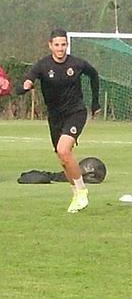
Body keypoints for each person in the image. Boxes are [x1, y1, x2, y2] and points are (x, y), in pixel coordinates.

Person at [16, 28, 100, 213]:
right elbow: (28, 80)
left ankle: (82, 191)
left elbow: (94, 75)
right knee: (62, 159)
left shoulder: (77, 64)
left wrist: (95, 102)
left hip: (75, 112)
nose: (60, 48)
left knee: (64, 150)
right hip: (55, 117)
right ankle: (76, 195)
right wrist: (25, 86)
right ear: (50, 46)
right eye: (57, 45)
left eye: (63, 44)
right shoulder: (42, 65)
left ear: (67, 45)